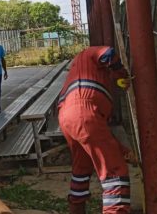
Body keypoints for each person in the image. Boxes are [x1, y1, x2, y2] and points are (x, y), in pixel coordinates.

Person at [58, 46, 133, 214]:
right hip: (83, 112)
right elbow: (108, 53)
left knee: (81, 169)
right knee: (115, 172)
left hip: (67, 117)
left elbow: (97, 133)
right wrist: (122, 74)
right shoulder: (89, 53)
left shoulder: (81, 72)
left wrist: (123, 151)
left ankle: (76, 210)